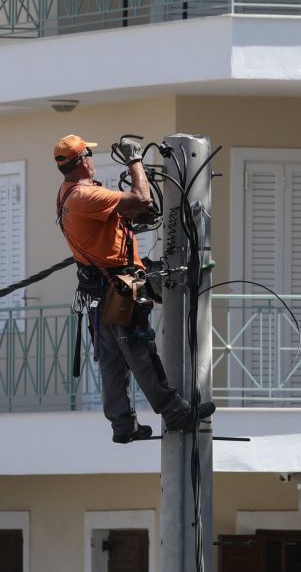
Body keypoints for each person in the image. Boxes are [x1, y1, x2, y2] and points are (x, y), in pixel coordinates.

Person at [53, 134, 214, 443]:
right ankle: (175, 412)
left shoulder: (67, 194)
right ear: (82, 161)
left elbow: (113, 218)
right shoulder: (85, 197)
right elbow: (142, 198)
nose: (92, 159)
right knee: (141, 353)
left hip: (100, 292)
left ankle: (123, 425)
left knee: (113, 362)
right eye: (89, 153)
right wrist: (135, 161)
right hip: (119, 289)